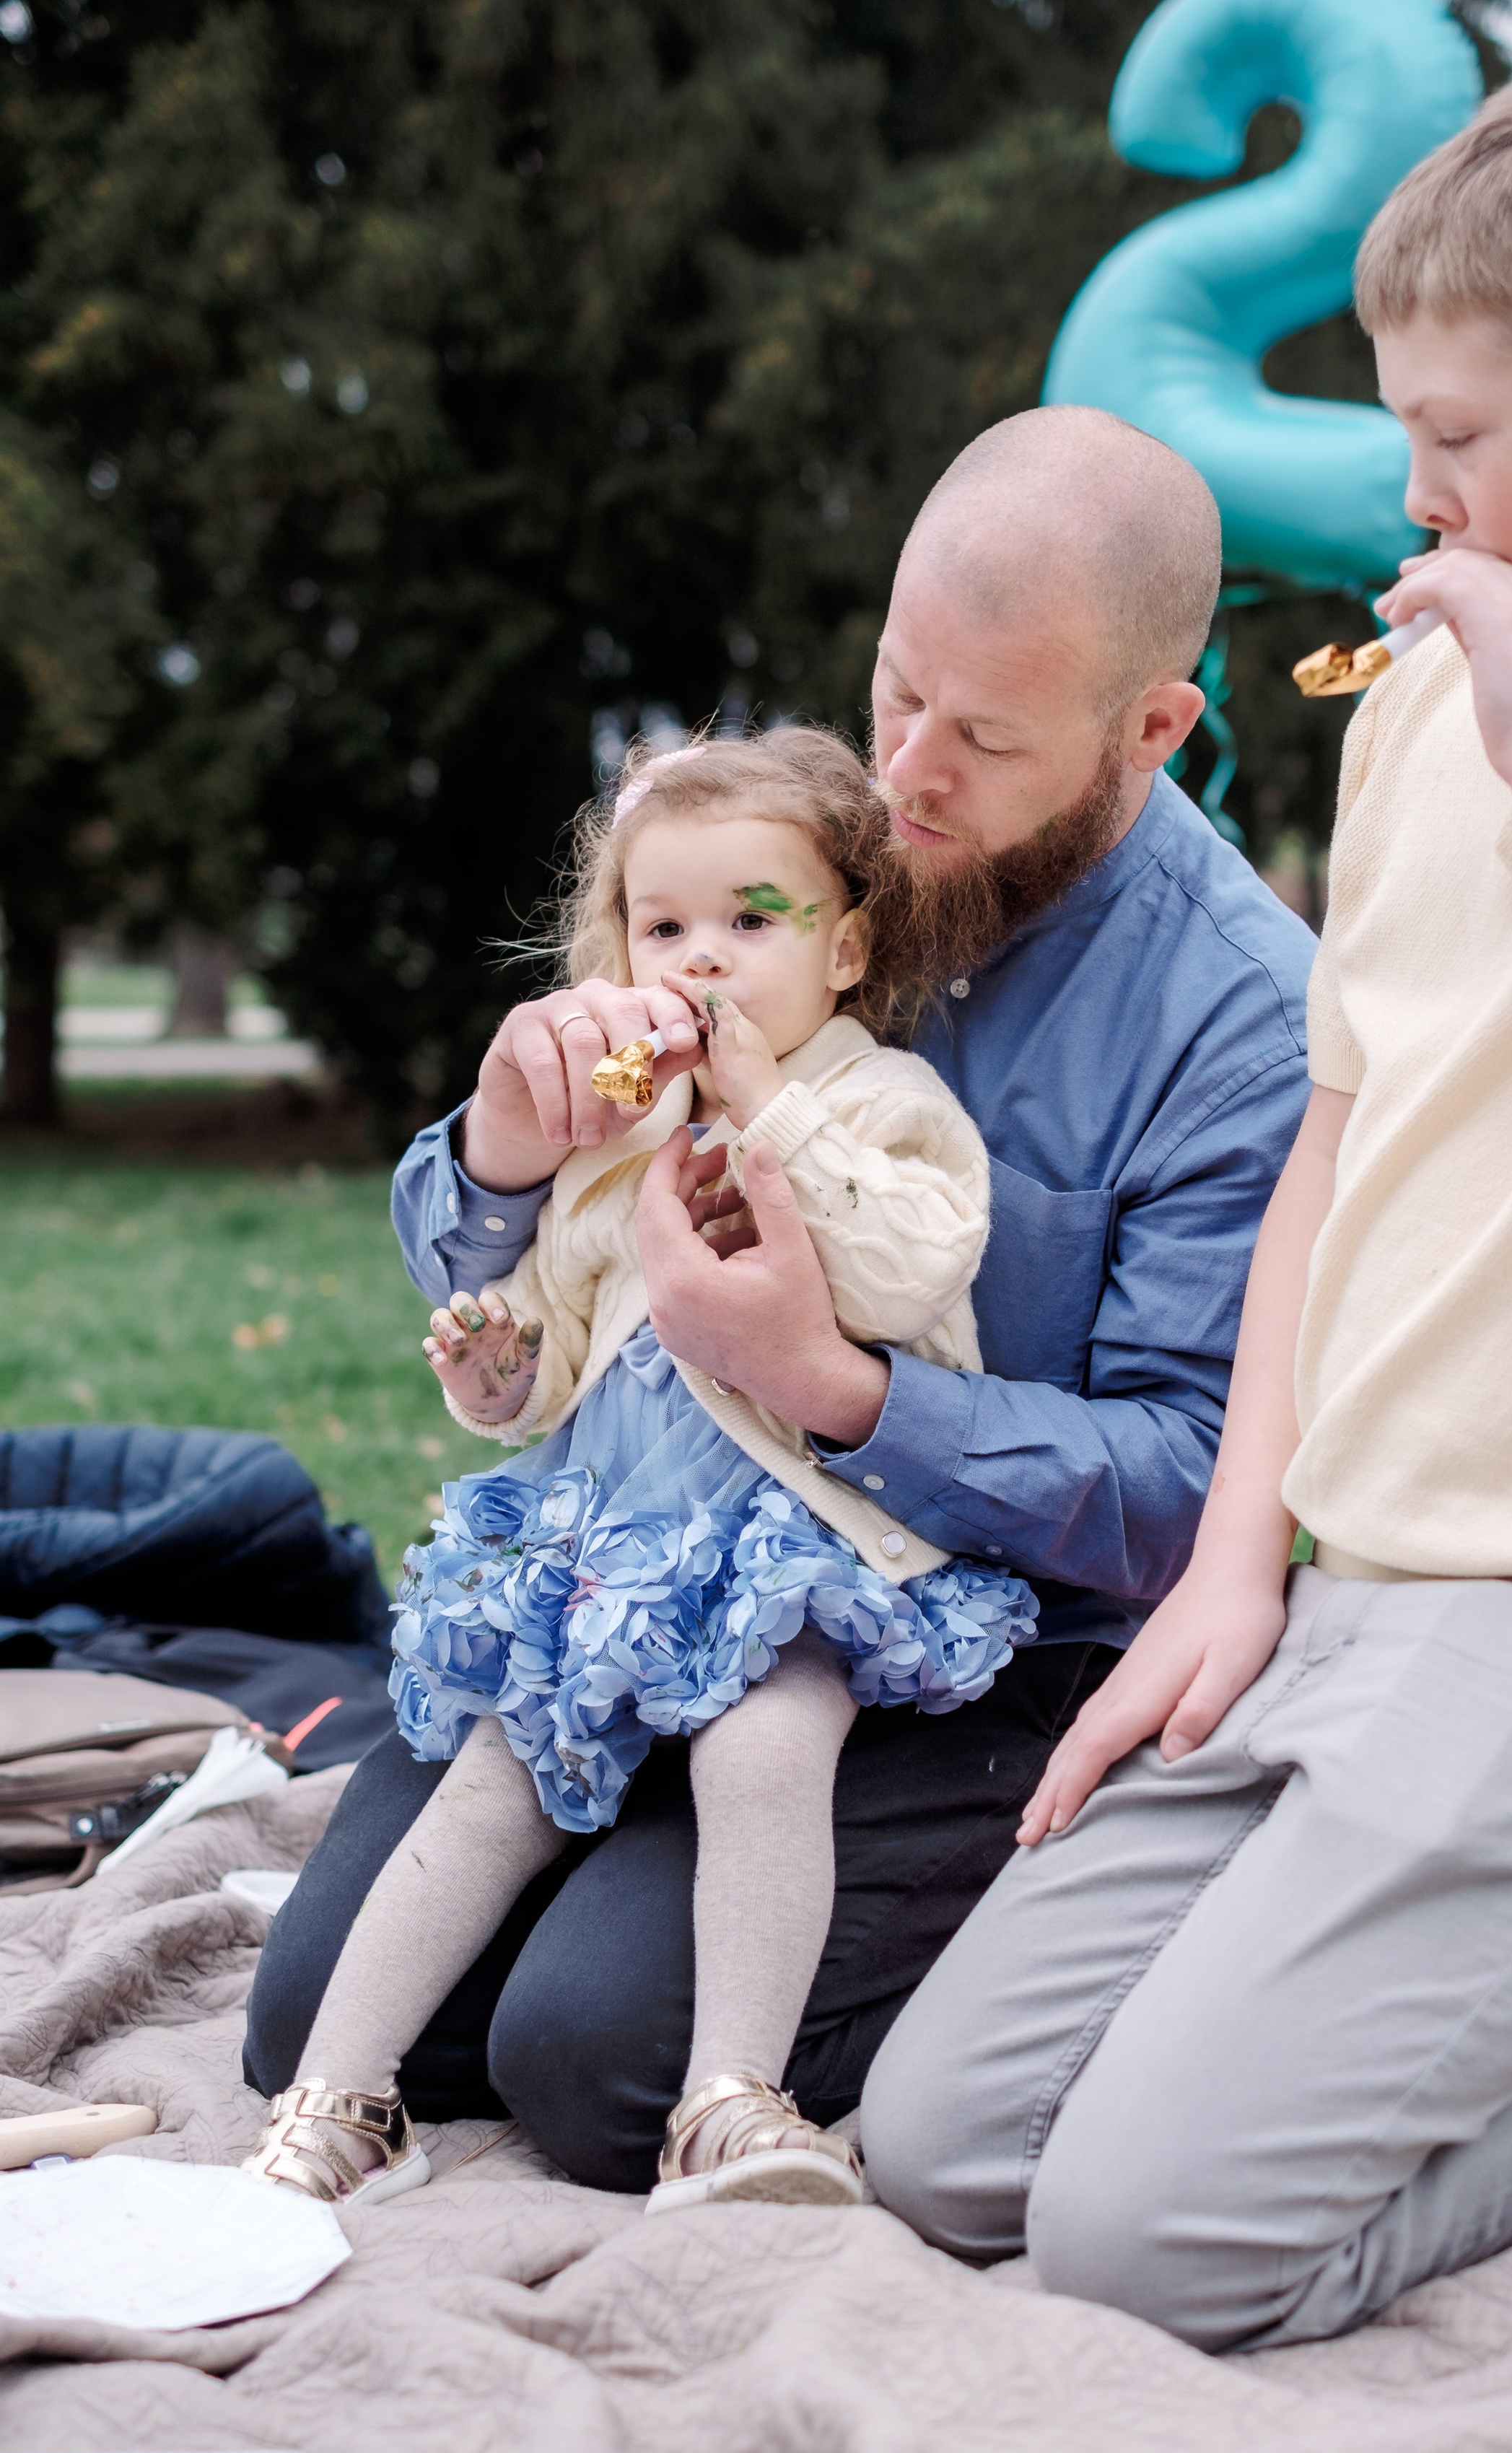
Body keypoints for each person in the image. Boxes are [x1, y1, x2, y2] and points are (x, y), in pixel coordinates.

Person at [861, 41, 1512, 2351]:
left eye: (1459, 441)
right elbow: (1347, 1121)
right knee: (945, 2149)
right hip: (1359, 1592)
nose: (1411, 492)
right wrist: (1235, 1564)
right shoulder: (1424, 681)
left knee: (1152, 2242)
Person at [242, 406, 1318, 2190]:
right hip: (647, 1555)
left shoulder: (1241, 1026)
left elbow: (1193, 1491)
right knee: (314, 2026)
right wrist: (502, 1156)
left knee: (584, 2065)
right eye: (898, 689)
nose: (904, 775)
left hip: (948, 1643)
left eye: (981, 738)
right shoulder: (795, 858)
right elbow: (533, 1246)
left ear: (1151, 730)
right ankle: (612, 1868)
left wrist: (839, 1386)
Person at [242, 730, 1036, 2211]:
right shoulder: (614, 1138)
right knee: (493, 1784)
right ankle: (337, 2100)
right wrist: (496, 1370)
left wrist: (768, 1112)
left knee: (766, 1748)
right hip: (614, 1545)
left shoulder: (879, 1106)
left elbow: (907, 1262)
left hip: (792, 1537)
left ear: (848, 948)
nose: (704, 961)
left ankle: (728, 2102)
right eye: (664, 927)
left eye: (753, 920)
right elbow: (562, 1341)